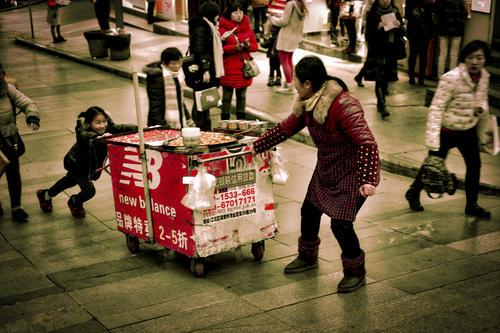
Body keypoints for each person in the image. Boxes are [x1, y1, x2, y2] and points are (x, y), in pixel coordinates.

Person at [252, 56, 380, 293]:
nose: (294, 85)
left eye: (296, 81)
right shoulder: (308, 102)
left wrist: (367, 179)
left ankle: (355, 271)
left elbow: (367, 143)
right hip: (327, 168)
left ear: (308, 83)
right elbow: (285, 128)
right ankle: (307, 257)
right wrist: (254, 147)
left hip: (352, 172)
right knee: (309, 211)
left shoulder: (343, 105)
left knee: (340, 224)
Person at [405, 40, 492, 218]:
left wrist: (481, 108)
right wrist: (432, 139)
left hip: (468, 130)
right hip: (447, 131)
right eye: (471, 57)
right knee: (433, 166)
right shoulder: (451, 78)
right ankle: (414, 191)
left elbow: (482, 98)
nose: (475, 62)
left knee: (474, 166)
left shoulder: (484, 77)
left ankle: (472, 205)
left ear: (485, 60)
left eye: (479, 57)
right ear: (464, 59)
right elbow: (437, 107)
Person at [36, 107, 136, 218]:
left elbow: (120, 128)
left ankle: (45, 195)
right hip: (78, 166)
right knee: (89, 191)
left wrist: (138, 128)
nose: (102, 125)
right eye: (98, 122)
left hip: (87, 168)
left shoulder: (108, 128)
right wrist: (99, 138)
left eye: (104, 121)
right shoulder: (83, 132)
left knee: (68, 181)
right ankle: (75, 201)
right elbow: (86, 136)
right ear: (89, 123)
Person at [0, 62, 41, 222]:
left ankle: (16, 206)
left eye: (0, 74)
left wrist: (32, 116)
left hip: (9, 139)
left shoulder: (7, 89)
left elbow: (27, 102)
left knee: (13, 173)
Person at [363, 0, 405, 118]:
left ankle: (381, 102)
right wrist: (378, 27)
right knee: (379, 79)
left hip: (391, 51)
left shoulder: (395, 12)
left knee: (386, 79)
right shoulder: (373, 14)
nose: (385, 1)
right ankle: (382, 105)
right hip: (377, 51)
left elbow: (402, 32)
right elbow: (368, 35)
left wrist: (398, 26)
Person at [187, 1, 224, 130]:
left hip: (206, 68)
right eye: (216, 14)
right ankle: (200, 127)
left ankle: (204, 126)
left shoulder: (208, 26)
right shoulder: (202, 27)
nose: (218, 17)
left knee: (204, 100)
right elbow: (199, 50)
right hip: (202, 70)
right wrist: (205, 70)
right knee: (200, 99)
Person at [219, 2, 259, 120]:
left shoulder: (248, 28)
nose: (239, 15)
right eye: (235, 12)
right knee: (227, 97)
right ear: (229, 14)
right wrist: (235, 48)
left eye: (241, 12)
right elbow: (220, 49)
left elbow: (255, 47)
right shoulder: (222, 29)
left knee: (242, 96)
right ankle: (225, 122)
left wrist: (247, 46)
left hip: (243, 69)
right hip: (228, 68)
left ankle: (241, 122)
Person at [143, 47, 195, 129]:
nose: (177, 66)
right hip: (161, 123)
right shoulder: (157, 78)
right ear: (164, 64)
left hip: (178, 122)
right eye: (173, 64)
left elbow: (180, 100)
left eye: (179, 62)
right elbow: (156, 106)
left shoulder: (176, 75)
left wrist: (188, 119)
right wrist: (161, 127)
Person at [267, 0, 307, 94]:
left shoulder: (290, 4)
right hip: (295, 36)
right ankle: (290, 82)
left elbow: (283, 22)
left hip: (286, 36)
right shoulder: (300, 4)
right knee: (289, 60)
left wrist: (271, 18)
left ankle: (289, 84)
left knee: (284, 61)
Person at [405, 0, 436, 85]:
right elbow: (408, 14)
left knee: (422, 54)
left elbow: (432, 14)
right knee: (414, 54)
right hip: (416, 29)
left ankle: (420, 78)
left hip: (423, 29)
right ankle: (412, 77)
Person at [435, 0, 467, 77]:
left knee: (443, 53)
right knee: (454, 55)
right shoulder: (460, 2)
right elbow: (464, 15)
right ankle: (452, 76)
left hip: (444, 30)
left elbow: (438, 14)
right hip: (457, 31)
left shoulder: (442, 2)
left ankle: (440, 75)